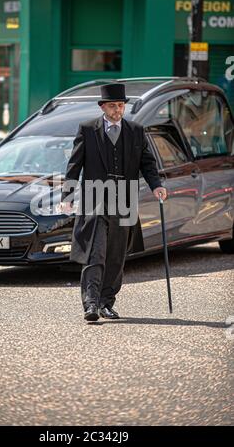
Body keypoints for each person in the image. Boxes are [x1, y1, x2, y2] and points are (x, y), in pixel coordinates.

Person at [60, 83, 167, 322]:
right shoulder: (88, 130)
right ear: (102, 107)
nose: (117, 109)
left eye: (120, 105)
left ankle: (107, 303)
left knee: (116, 256)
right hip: (95, 199)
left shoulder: (136, 130)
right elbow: (73, 166)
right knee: (94, 253)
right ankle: (91, 304)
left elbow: (147, 163)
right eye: (112, 106)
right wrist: (66, 197)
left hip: (125, 199)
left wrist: (157, 185)